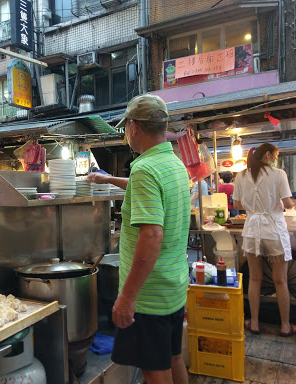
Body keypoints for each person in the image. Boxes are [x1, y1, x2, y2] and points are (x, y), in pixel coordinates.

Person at [87, 94, 190, 384]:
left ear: (133, 126)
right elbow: (143, 187)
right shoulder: (172, 164)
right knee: (173, 358)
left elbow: (152, 234)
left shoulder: (145, 168)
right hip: (173, 286)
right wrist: (108, 180)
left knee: (154, 371)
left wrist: (127, 297)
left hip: (149, 296)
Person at [232, 143, 296, 337]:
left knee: (254, 278)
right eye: (275, 156)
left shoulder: (242, 175)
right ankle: (285, 326)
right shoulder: (279, 174)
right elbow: (288, 205)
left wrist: (255, 206)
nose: (275, 160)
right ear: (268, 154)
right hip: (274, 229)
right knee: (280, 281)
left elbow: (236, 204)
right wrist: (287, 201)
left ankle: (254, 323)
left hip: (253, 229)